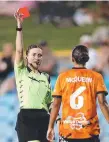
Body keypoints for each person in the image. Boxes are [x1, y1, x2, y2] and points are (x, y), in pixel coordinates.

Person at [47, 45, 109, 142]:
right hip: (89, 132)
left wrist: (50, 127)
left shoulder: (62, 77)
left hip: (68, 132)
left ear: (72, 59)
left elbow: (55, 104)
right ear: (87, 59)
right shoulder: (96, 77)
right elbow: (102, 103)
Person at [14, 11, 52, 142]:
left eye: (39, 55)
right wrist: (19, 26)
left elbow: (49, 101)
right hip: (27, 117)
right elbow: (19, 50)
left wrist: (55, 118)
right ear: (27, 57)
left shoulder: (46, 77)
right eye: (34, 54)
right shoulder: (21, 72)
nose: (37, 57)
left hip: (44, 117)